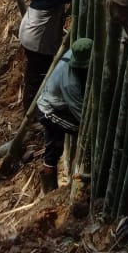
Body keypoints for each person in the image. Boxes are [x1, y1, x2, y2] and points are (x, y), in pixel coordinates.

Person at [36, 37, 92, 192]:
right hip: (49, 110)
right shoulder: (70, 83)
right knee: (83, 131)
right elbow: (81, 116)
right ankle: (54, 188)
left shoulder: (73, 52)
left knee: (53, 146)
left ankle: (48, 189)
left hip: (55, 105)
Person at [19, 0, 73, 116]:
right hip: (36, 41)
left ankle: (31, 110)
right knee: (39, 76)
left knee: (33, 73)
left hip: (28, 32)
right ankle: (35, 113)